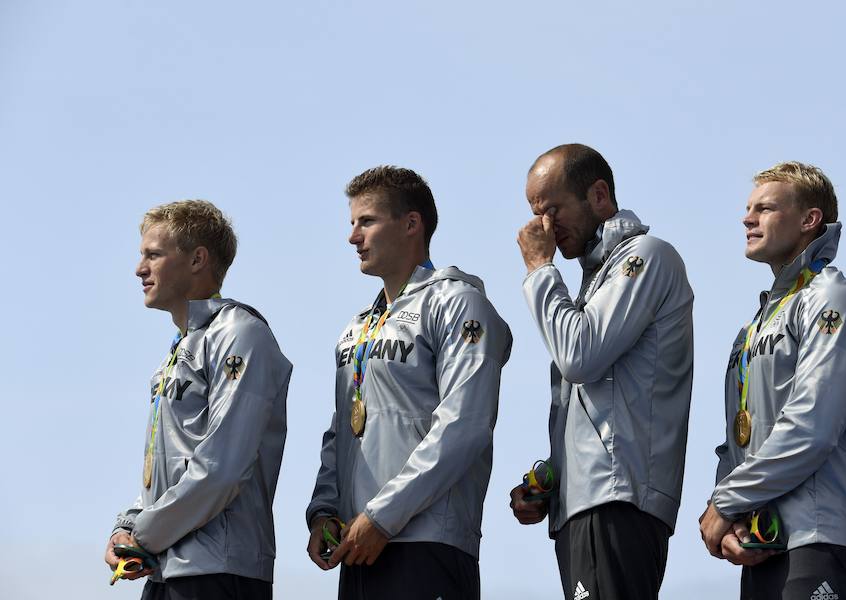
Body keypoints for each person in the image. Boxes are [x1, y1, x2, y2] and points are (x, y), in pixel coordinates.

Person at [306, 166, 512, 599]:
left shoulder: (457, 302)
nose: (353, 236)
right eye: (352, 223)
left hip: (428, 543)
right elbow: (341, 428)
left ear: (411, 224)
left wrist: (383, 515)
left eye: (366, 221)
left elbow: (464, 424)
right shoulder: (355, 328)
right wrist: (323, 510)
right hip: (359, 544)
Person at [510, 143, 694, 600]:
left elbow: (579, 355)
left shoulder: (646, 256)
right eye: (536, 213)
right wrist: (554, 477)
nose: (544, 227)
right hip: (588, 502)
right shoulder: (597, 276)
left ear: (598, 195)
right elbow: (600, 404)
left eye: (553, 209)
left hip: (616, 500)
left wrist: (539, 269)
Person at [699, 162, 846, 599]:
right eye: (748, 208)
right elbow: (738, 437)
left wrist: (726, 502)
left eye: (764, 208)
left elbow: (811, 427)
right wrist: (731, 512)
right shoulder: (754, 325)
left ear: (809, 220)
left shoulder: (834, 299)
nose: (748, 218)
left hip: (821, 534)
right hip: (763, 539)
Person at [104, 200, 293, 600]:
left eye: (153, 255)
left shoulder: (242, 334)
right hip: (164, 569)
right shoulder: (180, 346)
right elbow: (171, 468)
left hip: (220, 572)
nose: (140, 269)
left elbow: (222, 468)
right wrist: (129, 522)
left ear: (197, 260)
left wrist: (144, 534)